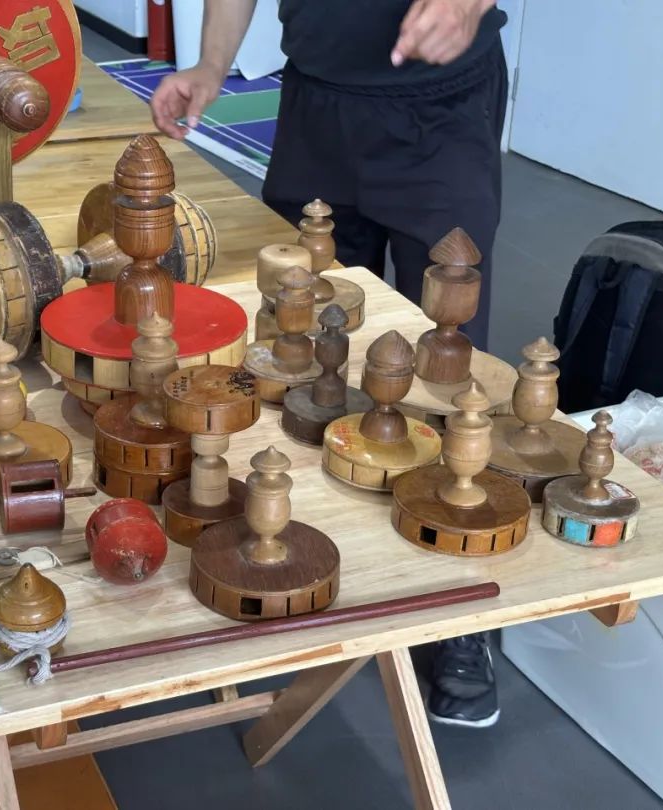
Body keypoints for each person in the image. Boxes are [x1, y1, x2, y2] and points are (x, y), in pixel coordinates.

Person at [151, 0, 507, 728]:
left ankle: (457, 607)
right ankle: (301, 545)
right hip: (317, 103)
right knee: (305, 350)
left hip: (437, 108)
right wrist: (212, 64)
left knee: (446, 362)